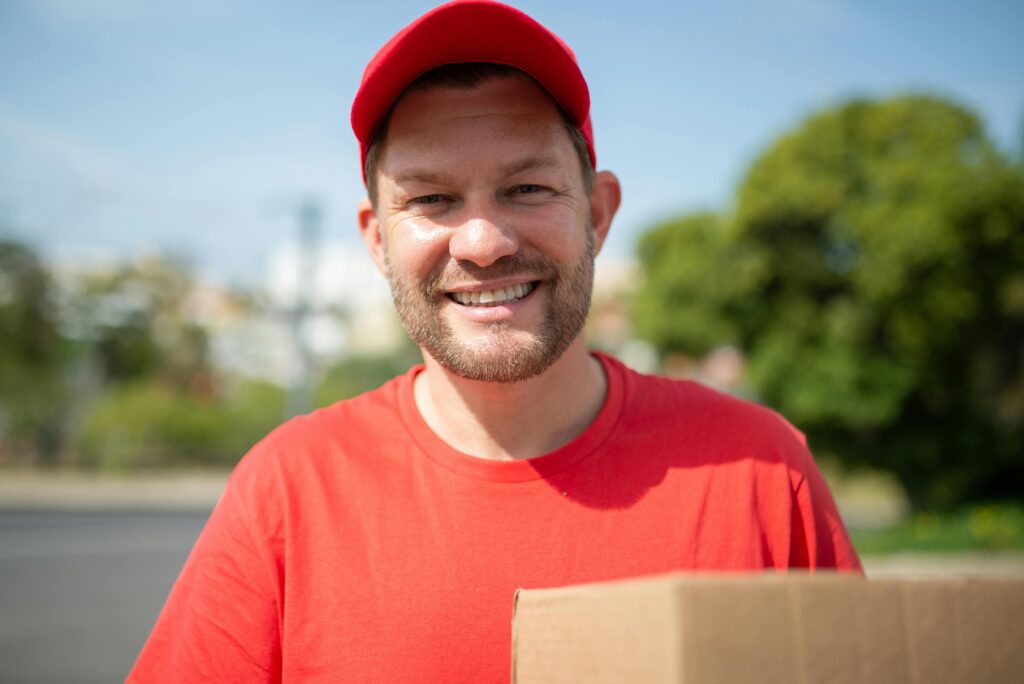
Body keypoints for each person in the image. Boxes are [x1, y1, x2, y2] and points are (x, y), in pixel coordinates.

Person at [128, 1, 861, 681]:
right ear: (377, 241)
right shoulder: (285, 491)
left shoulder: (762, 473)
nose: (481, 242)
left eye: (528, 189)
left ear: (598, 215)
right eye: (432, 200)